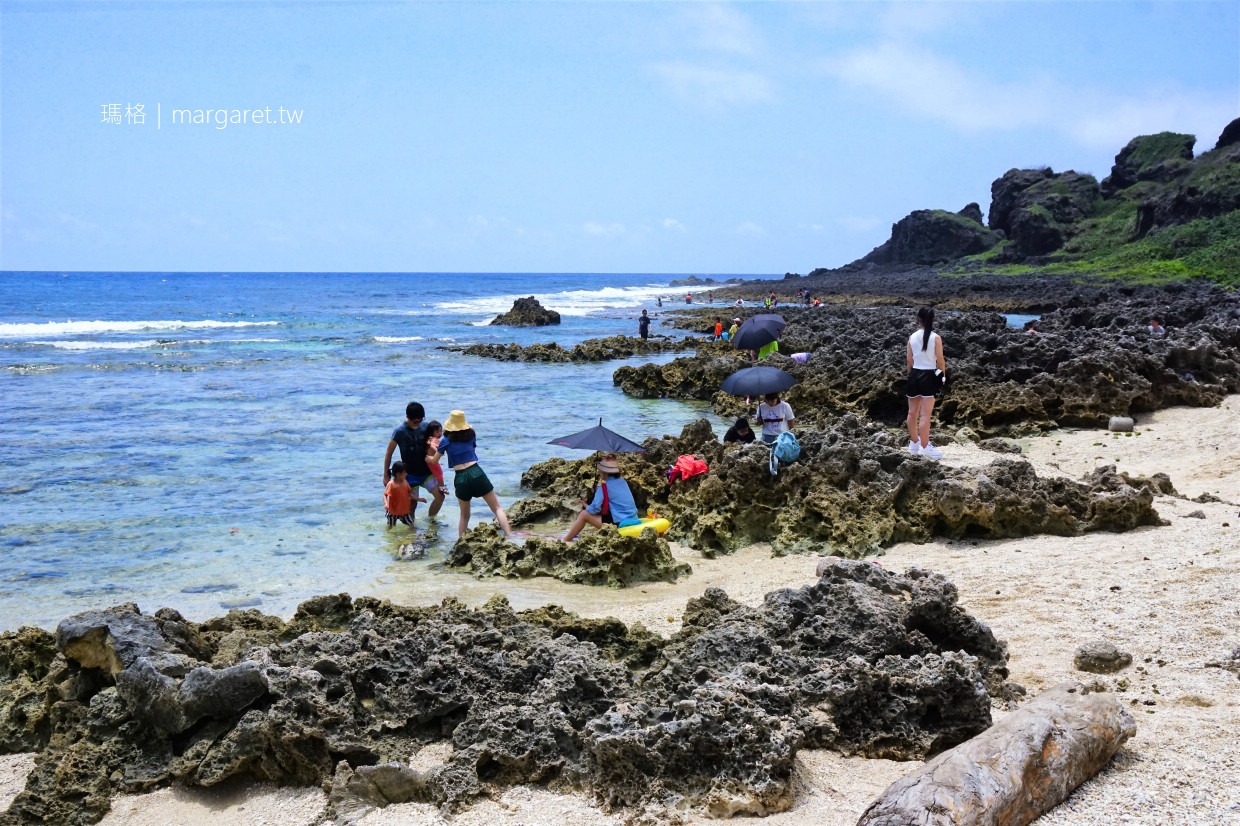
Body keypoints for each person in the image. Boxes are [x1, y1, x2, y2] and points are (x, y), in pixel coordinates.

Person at [439, 410, 511, 538]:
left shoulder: (445, 440)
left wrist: (429, 456)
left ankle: (461, 543)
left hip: (460, 476)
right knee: (497, 508)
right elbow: (471, 451)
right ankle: (509, 535)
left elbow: (435, 459)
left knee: (464, 516)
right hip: (476, 471)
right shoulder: (471, 435)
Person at [382, 402, 445, 521]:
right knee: (412, 505)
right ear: (407, 417)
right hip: (409, 474)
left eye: (420, 420)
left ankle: (431, 521)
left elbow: (437, 442)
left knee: (440, 496)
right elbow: (388, 454)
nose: (418, 423)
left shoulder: (426, 426)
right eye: (415, 421)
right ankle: (412, 533)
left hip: (427, 472)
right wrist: (386, 475)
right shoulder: (399, 431)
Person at [563, 455, 641, 541]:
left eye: (600, 471)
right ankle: (571, 535)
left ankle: (566, 539)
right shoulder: (623, 482)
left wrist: (585, 504)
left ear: (606, 473)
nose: (599, 474)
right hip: (633, 518)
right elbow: (614, 498)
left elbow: (594, 509)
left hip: (620, 523)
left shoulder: (604, 488)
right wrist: (597, 492)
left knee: (583, 514)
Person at [906, 306, 946, 460]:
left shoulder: (912, 337)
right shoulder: (936, 338)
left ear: (919, 319)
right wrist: (943, 375)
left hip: (914, 374)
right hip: (928, 375)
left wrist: (911, 374)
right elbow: (940, 359)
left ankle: (914, 444)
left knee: (911, 413)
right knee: (925, 416)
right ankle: (925, 447)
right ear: (933, 320)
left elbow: (909, 359)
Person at [384, 461, 426, 528]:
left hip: (404, 511)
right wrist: (386, 504)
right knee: (390, 527)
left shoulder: (405, 482)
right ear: (398, 474)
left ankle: (411, 537)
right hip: (393, 511)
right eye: (405, 472)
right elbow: (385, 495)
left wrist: (419, 499)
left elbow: (409, 494)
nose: (406, 474)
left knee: (412, 525)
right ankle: (390, 538)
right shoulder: (391, 484)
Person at [424, 420, 447, 495]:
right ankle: (442, 487)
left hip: (429, 461)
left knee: (437, 474)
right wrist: (438, 451)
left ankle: (440, 486)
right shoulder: (434, 440)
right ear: (431, 432)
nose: (440, 434)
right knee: (439, 473)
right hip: (432, 461)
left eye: (441, 431)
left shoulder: (430, 439)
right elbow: (436, 449)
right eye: (437, 432)